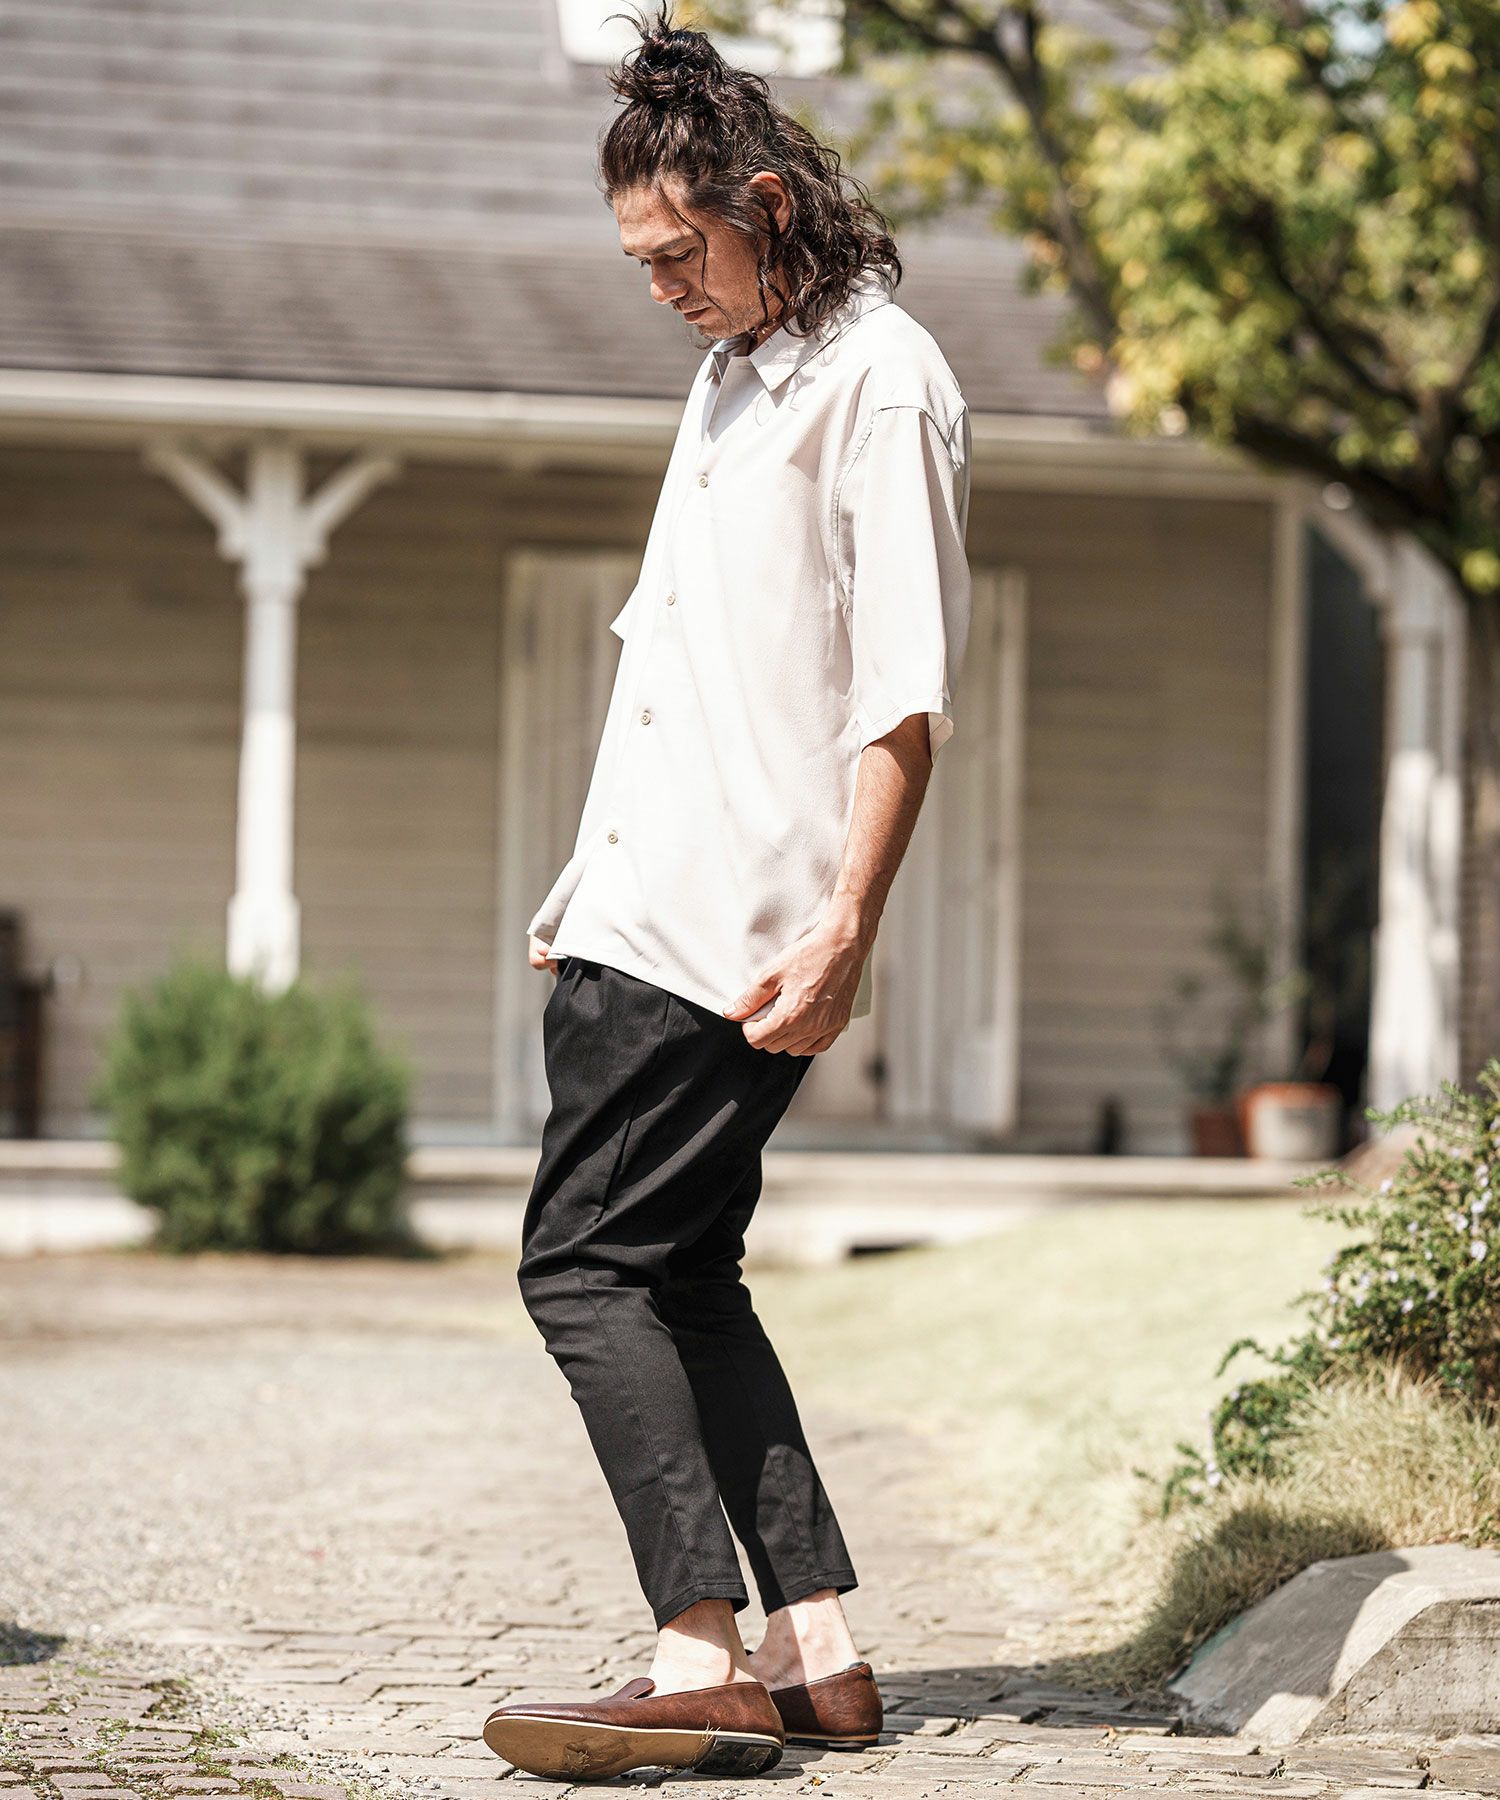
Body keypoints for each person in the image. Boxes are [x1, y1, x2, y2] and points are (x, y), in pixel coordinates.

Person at [482, 4, 972, 1781]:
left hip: (725, 929)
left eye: (681, 252)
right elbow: (684, 664)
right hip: (644, 908)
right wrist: (582, 874)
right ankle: (817, 1649)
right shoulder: (731, 377)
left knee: (583, 1267)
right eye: (640, 261)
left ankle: (696, 1654)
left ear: (766, 204)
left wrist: (848, 927)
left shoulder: (878, 378)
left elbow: (898, 692)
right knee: (684, 1271)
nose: (663, 288)